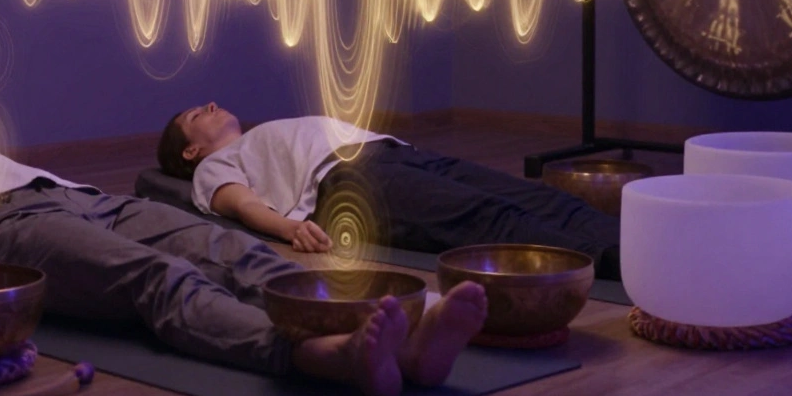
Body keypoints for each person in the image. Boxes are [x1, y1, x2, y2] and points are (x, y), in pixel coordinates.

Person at [0, 137, 488, 396]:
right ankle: (317, 355)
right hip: (5, 232)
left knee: (235, 253)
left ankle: (406, 342)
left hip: (87, 201)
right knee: (156, 278)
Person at [157, 103, 622, 280]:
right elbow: (243, 205)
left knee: (535, 197)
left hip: (393, 153)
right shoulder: (213, 169)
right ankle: (620, 261)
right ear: (192, 151)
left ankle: (638, 239)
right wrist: (290, 229)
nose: (212, 105)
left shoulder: (262, 136)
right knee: (490, 217)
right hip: (351, 183)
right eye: (197, 114)